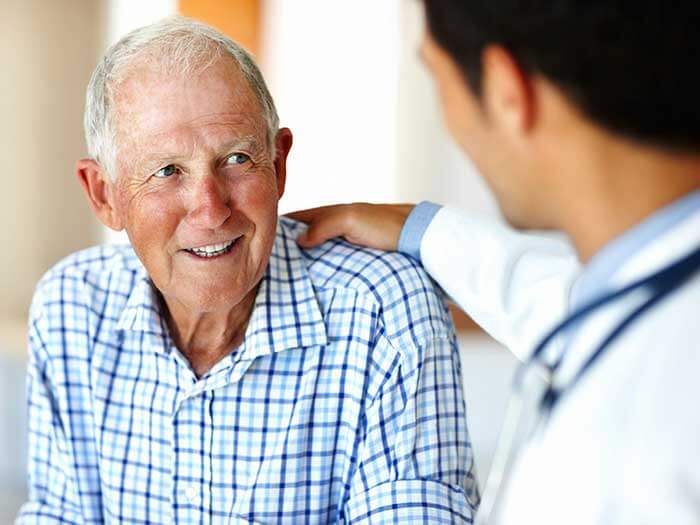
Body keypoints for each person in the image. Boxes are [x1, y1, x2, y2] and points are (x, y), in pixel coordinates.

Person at [17, 17, 479, 524]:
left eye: (237, 158)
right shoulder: (71, 307)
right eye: (167, 171)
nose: (211, 209)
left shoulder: (383, 309)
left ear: (278, 165)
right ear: (104, 195)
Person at [289, 1, 700, 523]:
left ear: (507, 91)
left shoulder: (659, 413)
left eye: (437, 77)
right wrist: (427, 231)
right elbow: (572, 305)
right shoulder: (652, 293)